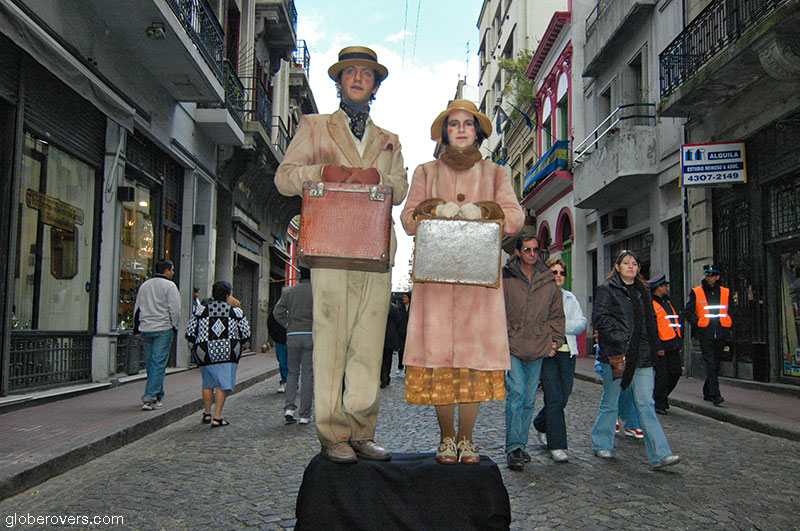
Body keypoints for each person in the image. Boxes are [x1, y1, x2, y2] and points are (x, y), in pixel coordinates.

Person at [275, 46, 408, 463]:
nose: (357, 78)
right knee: (330, 341)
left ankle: (362, 431)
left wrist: (378, 177)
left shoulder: (389, 139)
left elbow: (401, 189)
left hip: (374, 249)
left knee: (369, 344)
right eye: (349, 72)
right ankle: (332, 433)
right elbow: (283, 178)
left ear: (375, 85)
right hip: (331, 248)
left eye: (366, 74)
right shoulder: (314, 127)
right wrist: (320, 173)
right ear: (339, 81)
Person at [401, 98, 524, 465]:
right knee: (440, 364)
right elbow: (408, 219)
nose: (460, 130)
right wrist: (432, 208)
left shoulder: (496, 173)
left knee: (472, 364)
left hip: (478, 289)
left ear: (478, 131)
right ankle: (445, 439)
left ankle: (467, 440)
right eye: (453, 124)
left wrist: (486, 211)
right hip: (436, 288)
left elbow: (515, 218)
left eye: (467, 124)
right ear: (444, 131)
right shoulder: (425, 171)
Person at [591, 250, 681, 469]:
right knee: (611, 400)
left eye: (634, 263)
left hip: (642, 355)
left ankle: (660, 454)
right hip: (617, 354)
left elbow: (651, 321)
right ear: (618, 267)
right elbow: (600, 319)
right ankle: (601, 443)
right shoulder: (607, 290)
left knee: (646, 403)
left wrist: (655, 347)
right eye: (626, 263)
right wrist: (622, 338)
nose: (631, 266)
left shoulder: (644, 292)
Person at [502, 235, 565, 471]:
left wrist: (554, 341)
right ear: (518, 252)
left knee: (529, 400)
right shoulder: (505, 276)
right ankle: (513, 447)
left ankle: (521, 446)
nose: (531, 254)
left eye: (535, 250)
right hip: (511, 344)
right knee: (516, 394)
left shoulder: (548, 280)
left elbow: (557, 315)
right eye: (527, 250)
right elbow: (496, 308)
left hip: (538, 345)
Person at [533, 257, 586, 462]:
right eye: (553, 272)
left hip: (567, 352)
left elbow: (580, 324)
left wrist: (559, 325)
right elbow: (538, 325)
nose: (558, 276)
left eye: (561, 273)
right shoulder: (539, 299)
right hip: (548, 353)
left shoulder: (570, 298)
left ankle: (540, 423)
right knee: (553, 397)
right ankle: (557, 445)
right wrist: (557, 328)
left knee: (563, 396)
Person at [185, 281, 251, 427]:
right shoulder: (235, 312)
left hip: (204, 352)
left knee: (207, 383)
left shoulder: (200, 310)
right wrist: (241, 346)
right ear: (228, 295)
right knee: (223, 385)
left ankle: (207, 414)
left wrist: (194, 346)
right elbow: (245, 333)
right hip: (228, 352)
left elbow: (190, 332)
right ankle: (217, 417)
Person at [133, 259, 181, 411]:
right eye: (172, 270)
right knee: (158, 364)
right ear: (167, 270)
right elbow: (175, 309)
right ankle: (149, 397)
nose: (173, 273)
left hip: (145, 328)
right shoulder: (170, 286)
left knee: (151, 363)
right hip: (162, 328)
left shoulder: (145, 285)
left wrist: (136, 329)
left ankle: (158, 395)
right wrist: (174, 325)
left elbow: (137, 308)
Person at [684, 264, 731, 406]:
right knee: (710, 363)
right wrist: (698, 324)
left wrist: (729, 323)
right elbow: (688, 312)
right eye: (707, 275)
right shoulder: (697, 292)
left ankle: (707, 391)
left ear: (717, 277)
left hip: (721, 332)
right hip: (705, 334)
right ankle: (716, 395)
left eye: (711, 276)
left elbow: (731, 309)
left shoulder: (725, 292)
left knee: (715, 364)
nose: (708, 278)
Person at [273, 267, 314, 425]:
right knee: (308, 375)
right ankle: (305, 414)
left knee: (292, 373)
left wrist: (288, 325)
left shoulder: (289, 292)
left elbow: (278, 313)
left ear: (299, 276)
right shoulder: (316, 292)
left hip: (292, 335)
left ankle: (289, 408)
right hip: (310, 334)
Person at [649, 273, 683, 414]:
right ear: (658, 288)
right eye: (664, 286)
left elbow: (673, 323)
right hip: (661, 346)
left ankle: (660, 397)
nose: (666, 289)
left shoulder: (667, 303)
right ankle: (659, 402)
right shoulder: (651, 304)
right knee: (662, 375)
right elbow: (653, 328)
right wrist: (658, 346)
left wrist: (678, 342)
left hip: (673, 344)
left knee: (675, 372)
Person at [380, 300, 402, 388]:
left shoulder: (380, 306)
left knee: (382, 359)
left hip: (382, 335)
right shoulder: (394, 308)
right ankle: (386, 376)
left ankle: (383, 377)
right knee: (388, 359)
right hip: (390, 336)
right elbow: (398, 321)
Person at [267, 309, 289, 393]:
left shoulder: (294, 306)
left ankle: (292, 382)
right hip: (280, 340)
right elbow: (270, 322)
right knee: (283, 362)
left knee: (293, 363)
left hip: (292, 339)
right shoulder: (276, 309)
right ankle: (284, 381)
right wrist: (275, 336)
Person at [396, 292, 410, 371]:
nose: (403, 299)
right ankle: (400, 366)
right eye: (403, 297)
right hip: (401, 332)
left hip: (410, 333)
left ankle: (407, 368)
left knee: (409, 351)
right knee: (401, 350)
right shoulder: (399, 308)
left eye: (405, 297)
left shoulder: (413, 308)